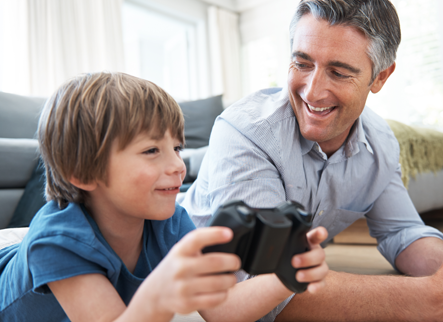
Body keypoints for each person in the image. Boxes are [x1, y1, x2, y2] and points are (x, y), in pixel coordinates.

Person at [181, 0, 443, 321]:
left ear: (380, 77)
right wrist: (431, 298)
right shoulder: (245, 131)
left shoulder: (380, 144)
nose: (312, 92)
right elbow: (263, 289)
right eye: (302, 64)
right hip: (182, 268)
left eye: (338, 72)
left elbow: (401, 232)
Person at [0, 72, 328, 322]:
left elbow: (222, 310)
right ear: (83, 173)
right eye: (151, 150)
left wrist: (288, 275)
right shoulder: (60, 243)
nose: (177, 165)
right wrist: (160, 296)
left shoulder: (168, 223)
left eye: (177, 148)